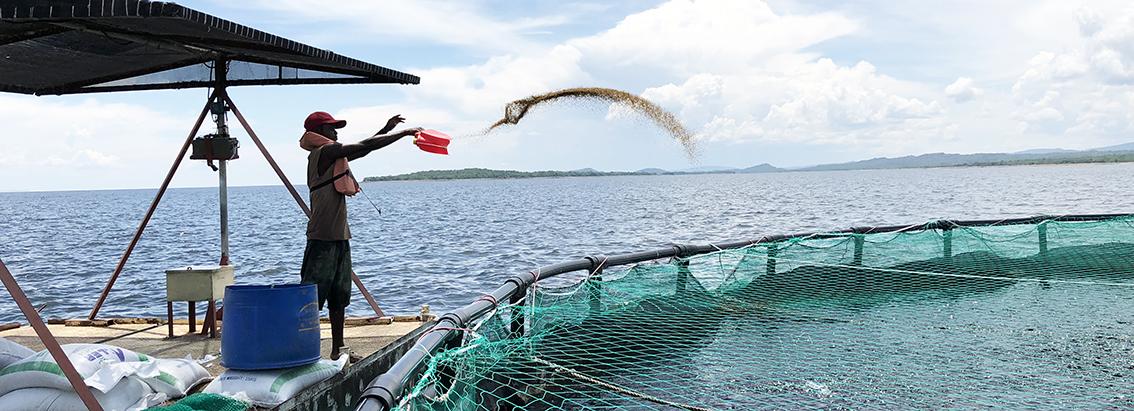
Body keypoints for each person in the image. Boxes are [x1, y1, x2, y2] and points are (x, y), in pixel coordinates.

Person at [298, 111, 421, 361]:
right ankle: (301, 352)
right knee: (310, 300)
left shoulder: (334, 153)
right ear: (318, 132)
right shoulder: (323, 153)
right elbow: (364, 146)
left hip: (339, 237)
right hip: (322, 239)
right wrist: (404, 133)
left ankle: (338, 349)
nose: (336, 132)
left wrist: (385, 129)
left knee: (339, 297)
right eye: (331, 128)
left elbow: (363, 149)